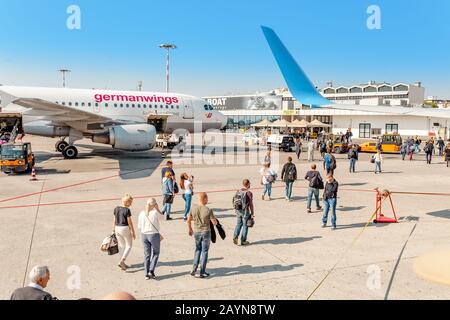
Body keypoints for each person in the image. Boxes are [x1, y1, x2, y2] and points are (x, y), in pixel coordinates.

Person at [187, 192, 218, 278]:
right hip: (206, 232)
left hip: (196, 232)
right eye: (207, 198)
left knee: (197, 250)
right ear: (204, 199)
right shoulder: (208, 210)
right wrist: (214, 219)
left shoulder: (193, 208)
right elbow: (214, 222)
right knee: (204, 251)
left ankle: (194, 268)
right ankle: (202, 271)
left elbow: (188, 220)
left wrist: (190, 229)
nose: (207, 200)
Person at [138, 198, 163, 280]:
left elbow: (139, 226)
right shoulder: (155, 213)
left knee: (147, 254)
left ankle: (146, 273)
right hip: (153, 234)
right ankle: (151, 270)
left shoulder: (142, 213)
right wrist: (158, 209)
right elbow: (163, 217)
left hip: (144, 234)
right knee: (156, 253)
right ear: (154, 204)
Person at [113, 194, 136, 271]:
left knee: (122, 246)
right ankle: (122, 260)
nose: (131, 204)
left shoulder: (116, 208)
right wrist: (133, 232)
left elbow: (114, 220)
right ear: (126, 202)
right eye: (130, 202)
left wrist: (113, 229)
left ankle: (121, 262)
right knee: (129, 245)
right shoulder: (127, 210)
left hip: (117, 228)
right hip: (124, 228)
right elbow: (130, 222)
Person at [233, 179, 255, 246]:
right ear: (248, 184)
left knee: (239, 224)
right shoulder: (249, 193)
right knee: (245, 225)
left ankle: (235, 237)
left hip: (238, 210)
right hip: (245, 211)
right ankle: (243, 241)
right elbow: (250, 204)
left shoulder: (238, 191)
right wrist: (252, 212)